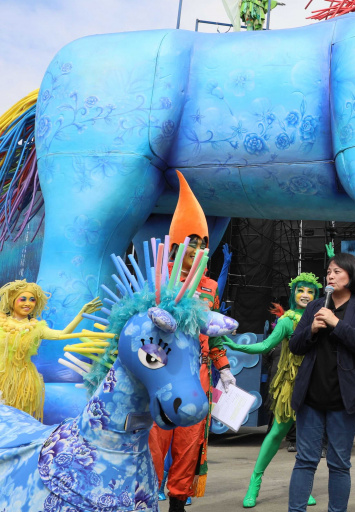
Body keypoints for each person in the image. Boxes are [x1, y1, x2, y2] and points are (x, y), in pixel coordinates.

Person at [148, 172, 236, 512]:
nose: (199, 250)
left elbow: (213, 336)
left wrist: (224, 370)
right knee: (156, 438)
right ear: (176, 246)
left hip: (198, 374)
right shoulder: (158, 279)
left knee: (189, 439)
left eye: (203, 244)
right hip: (160, 371)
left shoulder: (210, 287)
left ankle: (178, 502)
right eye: (193, 243)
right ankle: (147, 497)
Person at [287, 253, 355, 512]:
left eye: (337, 271)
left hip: (345, 398)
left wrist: (336, 323)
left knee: (339, 463)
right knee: (305, 460)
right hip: (311, 397)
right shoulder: (315, 307)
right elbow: (295, 346)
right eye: (329, 271)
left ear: (352, 276)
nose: (330, 275)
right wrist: (312, 330)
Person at [223, 273, 323, 508]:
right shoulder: (288, 321)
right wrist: (236, 345)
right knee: (277, 432)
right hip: (290, 385)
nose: (306, 295)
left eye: (310, 291)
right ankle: (254, 484)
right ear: (293, 293)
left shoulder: (320, 317)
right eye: (301, 290)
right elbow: (266, 345)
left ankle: (303, 485)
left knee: (308, 438)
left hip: (314, 383)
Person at [0, 280, 106, 420]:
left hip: (23, 380)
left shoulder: (37, 327)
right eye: (23, 299)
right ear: (12, 300)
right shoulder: (2, 322)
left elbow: (62, 334)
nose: (28, 303)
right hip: (2, 375)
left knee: (17, 417)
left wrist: (81, 314)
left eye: (32, 300)